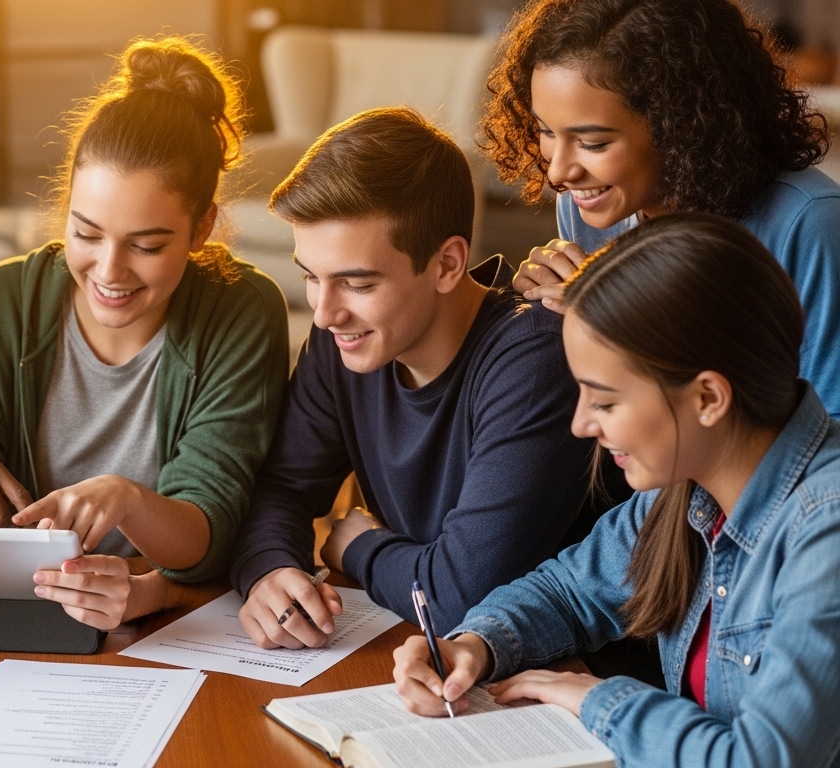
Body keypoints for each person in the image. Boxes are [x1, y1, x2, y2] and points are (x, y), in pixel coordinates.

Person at [0, 35, 289, 630]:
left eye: (147, 245)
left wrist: (128, 502)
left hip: (171, 626)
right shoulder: (6, 300)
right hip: (18, 614)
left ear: (202, 226)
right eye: (86, 234)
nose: (109, 271)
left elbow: (205, 537)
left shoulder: (240, 309)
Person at [392, 213, 840, 768]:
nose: (581, 423)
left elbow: (761, 760)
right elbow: (569, 591)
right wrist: (474, 647)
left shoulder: (826, 529)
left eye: (604, 401)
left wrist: (598, 700)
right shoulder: (686, 487)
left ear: (707, 398)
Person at [230, 107, 607, 650]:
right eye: (311, 277)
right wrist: (269, 570)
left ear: (448, 264)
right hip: (425, 659)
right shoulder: (344, 340)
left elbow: (462, 594)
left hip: (555, 680)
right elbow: (281, 487)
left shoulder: (536, 360)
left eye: (356, 284)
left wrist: (359, 547)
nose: (324, 313)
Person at [485, 0, 840, 415]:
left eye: (593, 143)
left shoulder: (809, 225)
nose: (558, 173)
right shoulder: (586, 211)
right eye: (546, 131)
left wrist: (619, 322)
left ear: (685, 123)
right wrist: (550, 315)